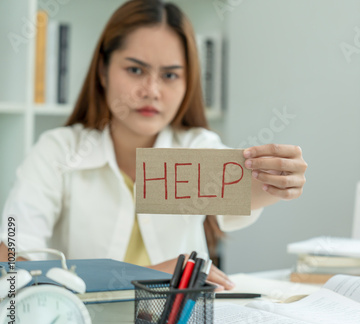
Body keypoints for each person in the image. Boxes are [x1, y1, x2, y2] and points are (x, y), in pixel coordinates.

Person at [0, 0, 307, 290]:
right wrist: (151, 276)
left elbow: (243, 187)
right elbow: (10, 260)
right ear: (103, 71)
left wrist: (277, 178)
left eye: (170, 75)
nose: (151, 90)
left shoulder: (196, 147)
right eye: (135, 70)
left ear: (188, 83)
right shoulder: (57, 151)